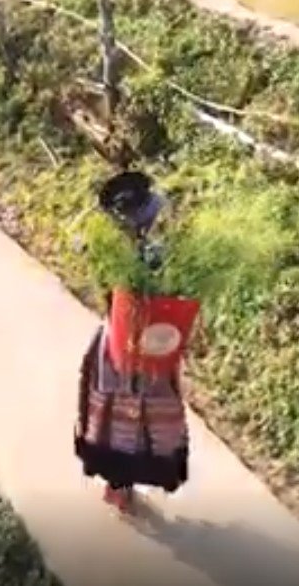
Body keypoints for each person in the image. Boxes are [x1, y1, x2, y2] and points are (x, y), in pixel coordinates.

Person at [74, 171, 195, 514]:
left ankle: (122, 484)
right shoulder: (107, 244)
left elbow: (178, 281)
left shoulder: (160, 240)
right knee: (121, 413)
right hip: (124, 337)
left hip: (149, 337)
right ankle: (119, 485)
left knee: (140, 414)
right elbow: (104, 281)